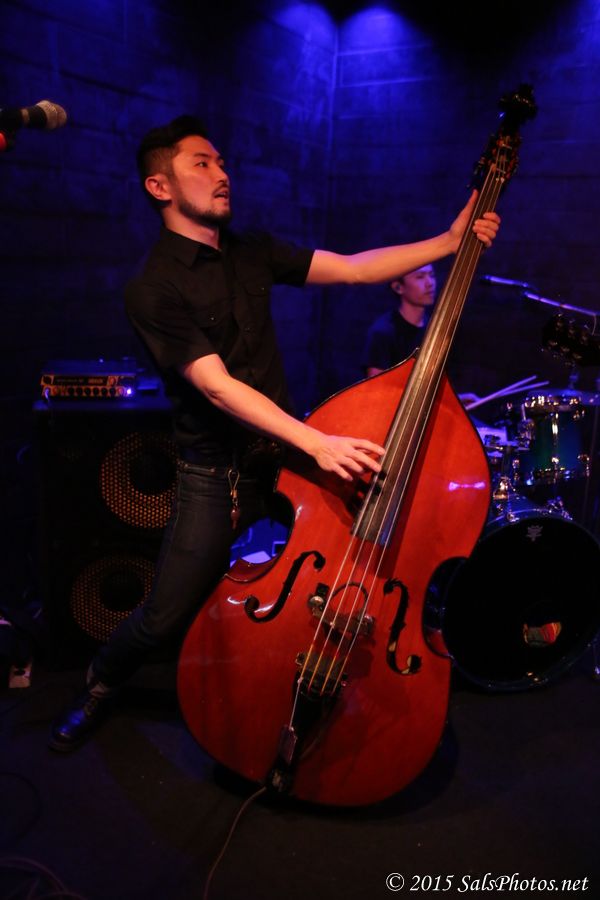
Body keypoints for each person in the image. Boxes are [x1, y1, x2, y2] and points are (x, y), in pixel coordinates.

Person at [49, 115, 500, 751]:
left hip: (283, 453)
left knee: (372, 528)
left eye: (221, 161)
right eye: (202, 163)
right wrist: (315, 441)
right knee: (164, 615)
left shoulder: (250, 249)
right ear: (159, 187)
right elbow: (215, 386)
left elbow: (354, 268)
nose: (222, 173)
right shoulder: (152, 287)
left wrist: (450, 241)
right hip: (217, 476)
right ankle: (100, 681)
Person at [363, 264, 436, 377]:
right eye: (420, 277)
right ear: (398, 287)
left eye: (431, 275)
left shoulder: (434, 327)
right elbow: (376, 384)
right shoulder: (382, 332)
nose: (430, 283)